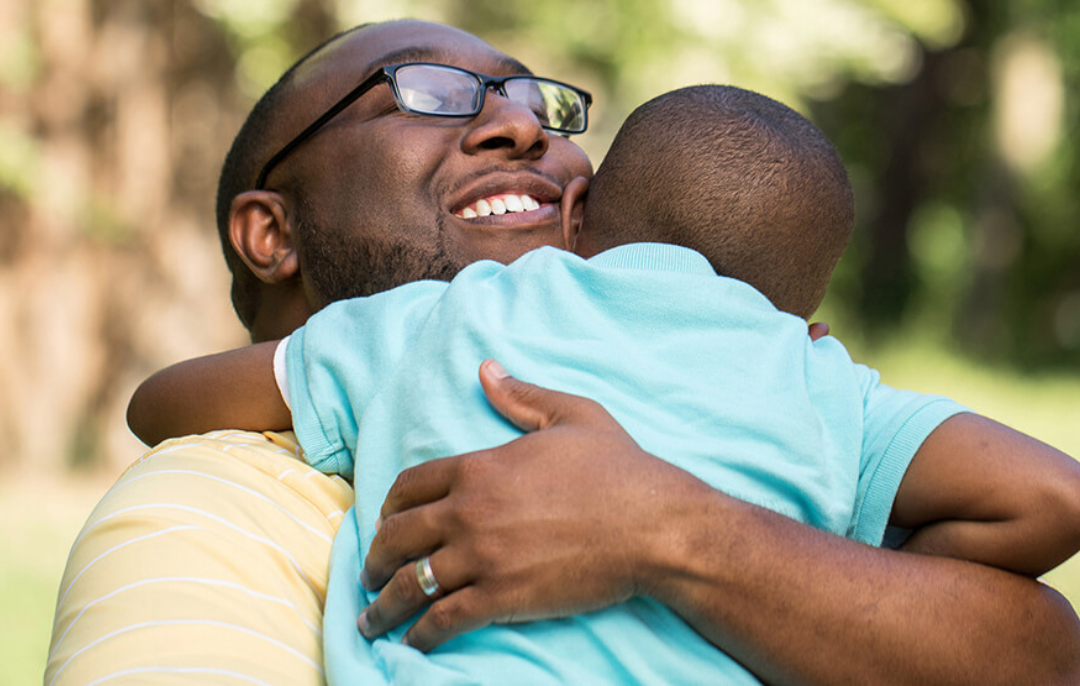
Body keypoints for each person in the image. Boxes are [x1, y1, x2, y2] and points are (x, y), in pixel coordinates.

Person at [48, 18, 1080, 686]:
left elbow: (1043, 652)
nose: (517, 126)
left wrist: (677, 531)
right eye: (429, 92)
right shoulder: (208, 504)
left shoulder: (755, 419)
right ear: (272, 234)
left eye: (538, 104)